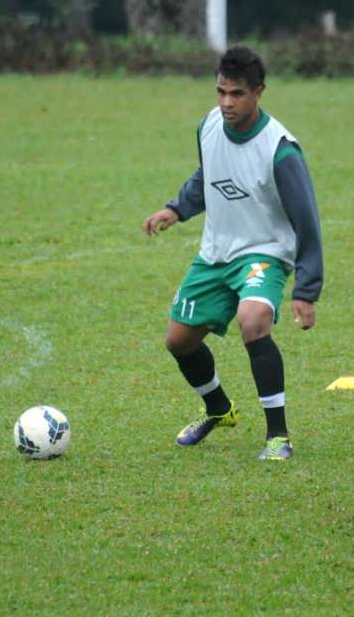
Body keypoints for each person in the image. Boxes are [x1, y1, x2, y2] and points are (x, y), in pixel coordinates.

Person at [142, 46, 323, 461]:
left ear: (259, 92)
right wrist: (176, 208)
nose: (226, 102)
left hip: (263, 253)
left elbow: (307, 222)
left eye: (237, 93)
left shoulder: (281, 150)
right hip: (216, 253)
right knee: (178, 340)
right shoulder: (207, 126)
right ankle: (219, 410)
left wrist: (306, 289)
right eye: (221, 91)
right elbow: (210, 177)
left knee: (253, 319)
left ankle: (278, 437)